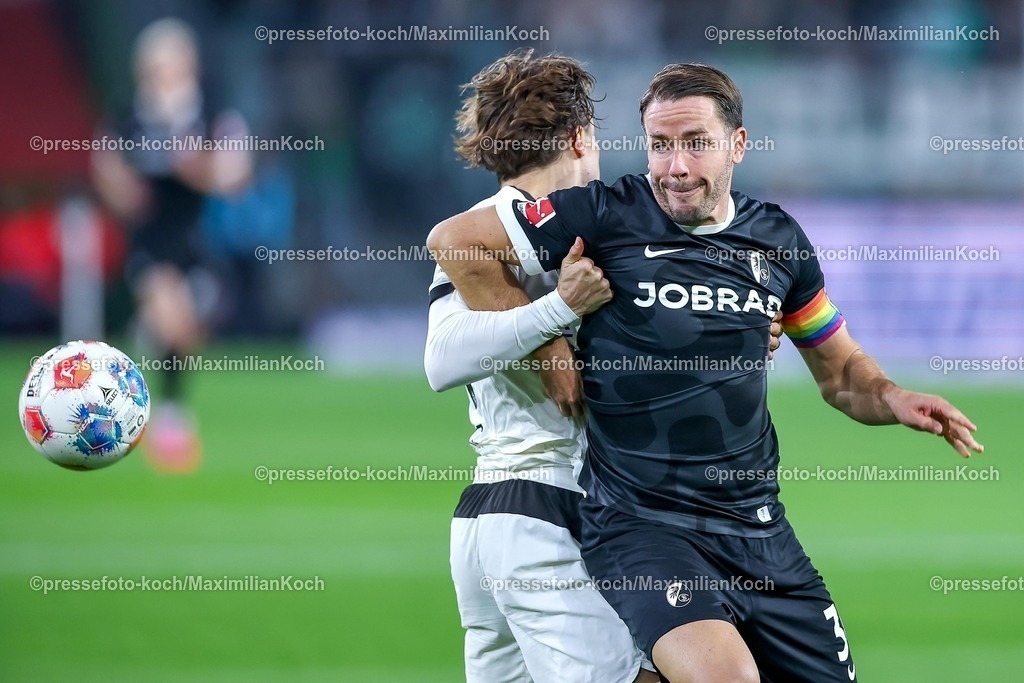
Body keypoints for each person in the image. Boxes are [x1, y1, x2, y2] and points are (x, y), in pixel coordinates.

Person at [427, 62, 983, 682]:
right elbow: (458, 242)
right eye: (660, 145)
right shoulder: (606, 214)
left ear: (737, 144)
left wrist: (891, 395)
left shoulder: (778, 240)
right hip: (644, 528)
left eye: (695, 143)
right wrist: (551, 345)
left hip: (759, 529)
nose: (676, 166)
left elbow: (841, 370)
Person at [91, 18, 252, 473]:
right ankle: (169, 421)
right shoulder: (128, 117)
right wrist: (124, 187)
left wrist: (194, 167)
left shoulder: (214, 115)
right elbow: (110, 177)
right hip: (152, 244)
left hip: (199, 242)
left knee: (184, 335)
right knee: (174, 321)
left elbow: (233, 178)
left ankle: (150, 348)